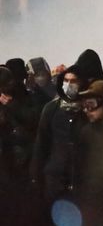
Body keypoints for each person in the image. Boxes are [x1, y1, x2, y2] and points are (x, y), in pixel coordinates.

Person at [32, 66, 89, 201]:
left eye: (74, 81)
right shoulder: (51, 109)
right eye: (66, 80)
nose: (69, 84)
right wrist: (36, 175)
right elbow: (42, 143)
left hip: (80, 178)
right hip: (54, 177)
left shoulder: (87, 110)